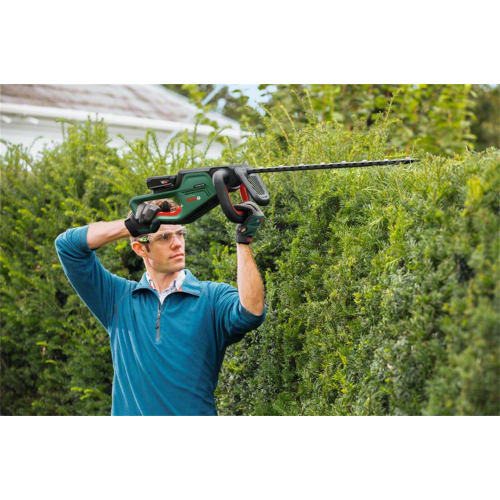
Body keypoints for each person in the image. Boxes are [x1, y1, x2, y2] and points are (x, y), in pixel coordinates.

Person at [55, 199, 266, 416]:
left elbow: (251, 312)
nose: (177, 243)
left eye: (180, 234)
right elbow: (68, 246)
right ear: (140, 248)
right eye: (164, 237)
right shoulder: (117, 299)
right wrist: (129, 226)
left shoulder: (211, 298)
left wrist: (243, 241)